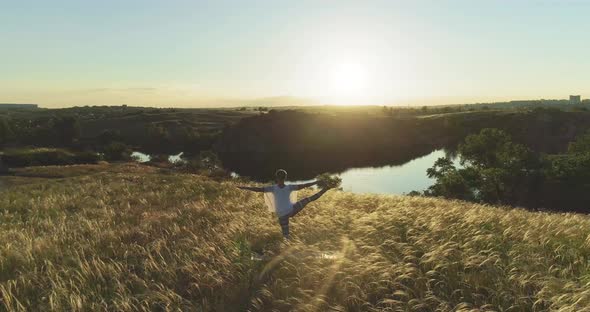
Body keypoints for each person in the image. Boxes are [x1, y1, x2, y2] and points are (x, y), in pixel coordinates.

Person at [238, 169, 331, 239]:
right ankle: (324, 190)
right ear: (285, 178)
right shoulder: (289, 187)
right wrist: (316, 182)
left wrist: (244, 188)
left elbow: (258, 190)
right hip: (292, 210)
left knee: (286, 236)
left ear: (276, 177)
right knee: (308, 199)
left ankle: (285, 252)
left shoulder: (273, 188)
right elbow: (305, 185)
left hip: (282, 215)